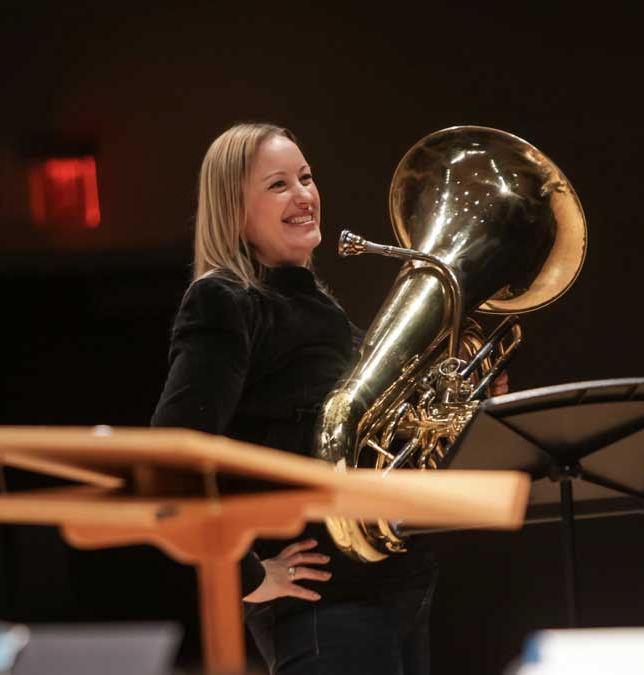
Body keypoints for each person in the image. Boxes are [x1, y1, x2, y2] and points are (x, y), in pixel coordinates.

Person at [150, 122, 441, 675]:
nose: (304, 195)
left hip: (392, 595)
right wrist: (249, 577)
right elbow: (174, 454)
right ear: (234, 211)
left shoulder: (322, 312)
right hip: (325, 606)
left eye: (305, 177)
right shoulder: (225, 300)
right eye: (277, 185)